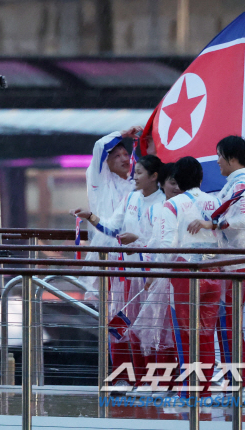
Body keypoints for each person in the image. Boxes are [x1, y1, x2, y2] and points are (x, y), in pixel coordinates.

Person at [73, 155, 165, 394]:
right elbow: (112, 227)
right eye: (135, 172)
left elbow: (165, 242)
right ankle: (123, 378)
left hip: (153, 276)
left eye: (140, 173)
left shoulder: (164, 202)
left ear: (154, 177)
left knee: (151, 329)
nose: (134, 176)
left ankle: (152, 381)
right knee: (121, 326)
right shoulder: (131, 197)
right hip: (126, 275)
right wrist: (91, 217)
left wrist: (139, 240)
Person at [71, 126, 138, 390]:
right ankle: (122, 377)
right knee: (116, 321)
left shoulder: (137, 185)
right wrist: (125, 132)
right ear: (106, 162)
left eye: (127, 154)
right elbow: (100, 146)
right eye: (118, 154)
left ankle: (143, 378)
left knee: (142, 319)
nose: (125, 158)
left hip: (138, 260)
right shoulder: (99, 182)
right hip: (109, 262)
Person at [186, 136, 245, 379]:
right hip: (230, 263)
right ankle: (232, 382)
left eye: (219, 155)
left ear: (232, 158)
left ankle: (235, 383)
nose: (217, 161)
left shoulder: (242, 185)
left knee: (229, 328)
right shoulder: (233, 183)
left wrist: (214, 224)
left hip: (236, 265)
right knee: (226, 327)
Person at [153, 157, 222, 398]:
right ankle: (203, 391)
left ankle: (189, 392)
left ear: (177, 181)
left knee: (185, 335)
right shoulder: (215, 201)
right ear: (201, 178)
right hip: (214, 271)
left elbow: (165, 246)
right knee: (206, 335)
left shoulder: (172, 205)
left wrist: (154, 273)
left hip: (184, 274)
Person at [131, 163, 181, 397]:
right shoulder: (161, 207)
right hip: (159, 274)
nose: (176, 187)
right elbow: (154, 244)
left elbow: (163, 245)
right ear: (161, 182)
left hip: (175, 276)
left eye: (179, 182)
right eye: (172, 182)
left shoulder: (176, 206)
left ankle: (167, 383)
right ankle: (158, 382)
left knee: (169, 330)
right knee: (156, 330)